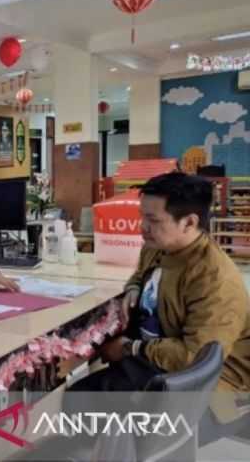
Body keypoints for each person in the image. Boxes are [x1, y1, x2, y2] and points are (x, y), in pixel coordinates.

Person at [72, 173, 250, 417]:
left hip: (203, 383)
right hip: (156, 355)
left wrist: (130, 348)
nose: (142, 227)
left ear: (188, 222)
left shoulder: (215, 279)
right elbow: (141, 274)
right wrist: (134, 288)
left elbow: (195, 357)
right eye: (142, 217)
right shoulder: (160, 246)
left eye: (153, 220)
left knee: (84, 401)